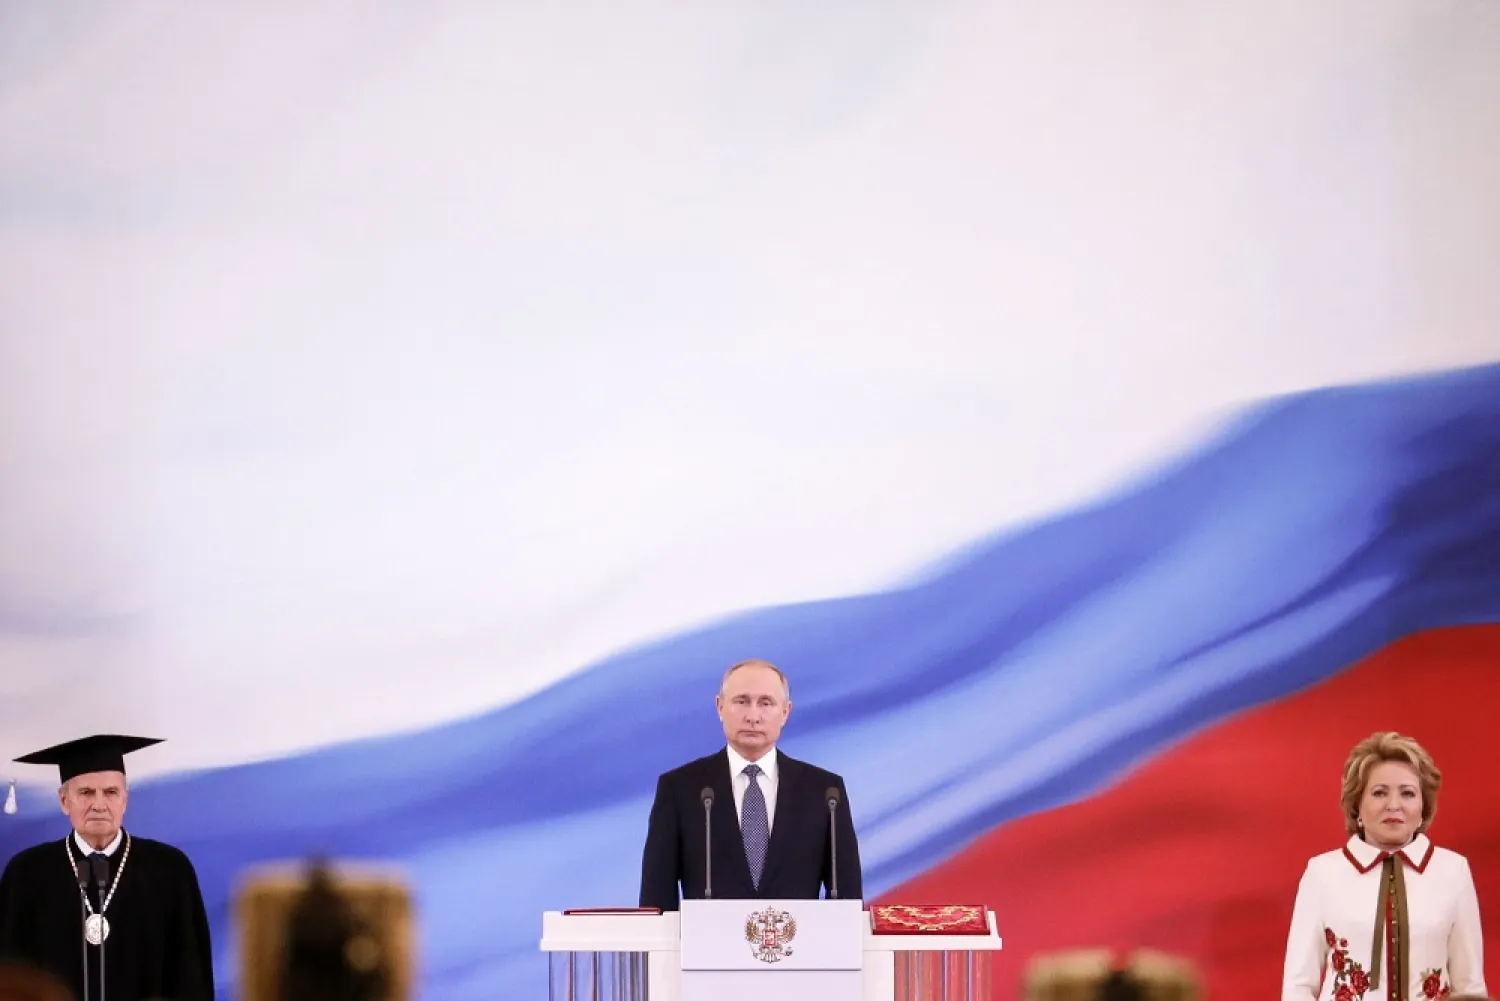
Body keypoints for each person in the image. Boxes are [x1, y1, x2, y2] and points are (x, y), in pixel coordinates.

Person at [0, 735, 214, 1001]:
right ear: (64, 801)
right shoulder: (27, 874)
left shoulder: (170, 870)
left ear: (125, 800)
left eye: (111, 792)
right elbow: (12, 976)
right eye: (86, 793)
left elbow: (190, 977)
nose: (99, 805)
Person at [638, 659, 862, 910]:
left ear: (785, 712)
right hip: (707, 947)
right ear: (720, 707)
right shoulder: (680, 789)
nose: (753, 716)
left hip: (796, 947)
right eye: (741, 701)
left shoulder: (825, 792)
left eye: (766, 703)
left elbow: (847, 901)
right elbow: (656, 902)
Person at [1282, 731, 1486, 1001]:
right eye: (1379, 793)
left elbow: (1469, 986)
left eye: (1408, 793)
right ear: (1357, 805)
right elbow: (1298, 987)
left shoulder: (1453, 871)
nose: (1394, 805)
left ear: (1423, 807)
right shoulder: (1322, 873)